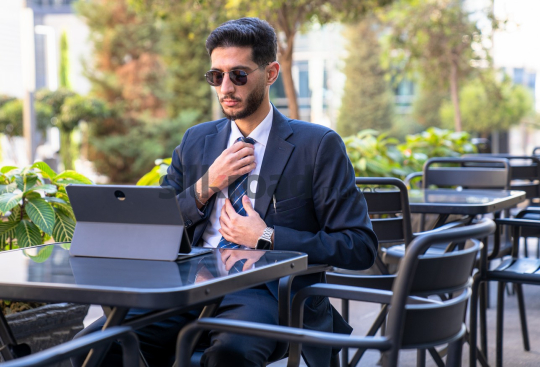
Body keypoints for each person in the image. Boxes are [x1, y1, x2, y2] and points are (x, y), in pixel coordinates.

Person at [74, 17, 377, 367]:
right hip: (186, 285)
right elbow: (158, 226)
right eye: (216, 76)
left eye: (239, 74)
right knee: (93, 346)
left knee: (229, 355)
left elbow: (360, 246)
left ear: (271, 72)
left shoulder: (317, 145)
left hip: (266, 290)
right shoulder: (196, 141)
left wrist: (266, 236)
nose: (225, 88)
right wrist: (205, 186)